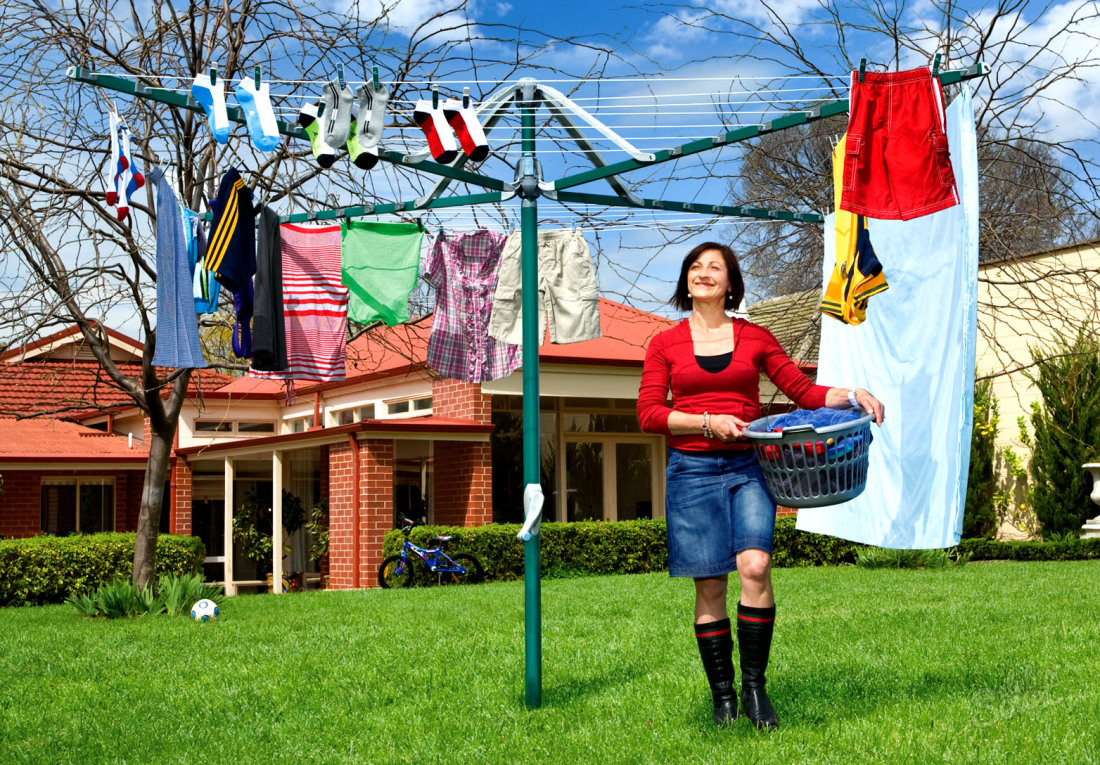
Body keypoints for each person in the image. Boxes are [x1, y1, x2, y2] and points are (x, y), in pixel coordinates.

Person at [636, 242, 885, 729]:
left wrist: (854, 392)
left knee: (756, 566)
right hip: (692, 471)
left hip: (750, 466)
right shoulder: (663, 344)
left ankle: (754, 688)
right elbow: (649, 414)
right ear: (686, 280)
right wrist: (706, 422)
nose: (703, 273)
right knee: (709, 585)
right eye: (696, 267)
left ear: (731, 284)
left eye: (715, 268)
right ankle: (723, 696)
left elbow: (805, 391)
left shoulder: (755, 337)